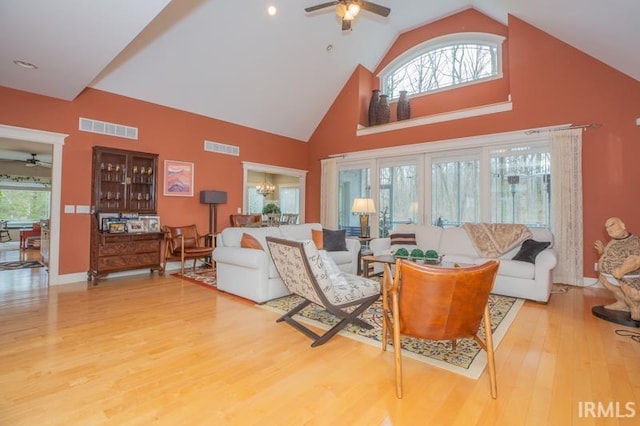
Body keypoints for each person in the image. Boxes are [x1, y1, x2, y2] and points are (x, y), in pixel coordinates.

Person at [594, 217, 640, 320]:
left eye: (612, 225)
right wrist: (602, 251)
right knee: (606, 281)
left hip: (627, 276)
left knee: (634, 296)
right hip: (609, 275)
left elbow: (636, 260)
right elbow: (610, 255)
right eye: (607, 228)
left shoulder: (635, 241)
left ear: (623, 225)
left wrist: (622, 270)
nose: (609, 229)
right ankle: (622, 303)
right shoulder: (613, 241)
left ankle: (636, 308)